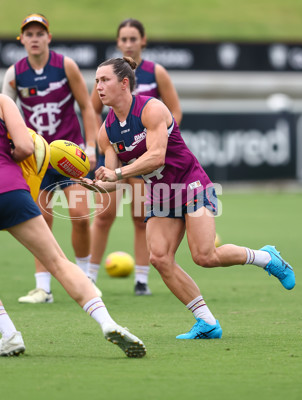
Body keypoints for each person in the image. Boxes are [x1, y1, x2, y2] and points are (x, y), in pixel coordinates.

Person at [0, 39, 146, 357]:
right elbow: (26, 147)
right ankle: (107, 322)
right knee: (58, 261)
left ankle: (10, 335)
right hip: (10, 191)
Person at [83, 57, 295, 339]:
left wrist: (118, 173)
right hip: (159, 193)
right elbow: (111, 180)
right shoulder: (106, 132)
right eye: (96, 80)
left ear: (124, 83)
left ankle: (266, 258)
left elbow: (156, 156)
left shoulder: (151, 109)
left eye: (104, 80)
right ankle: (207, 322)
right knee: (159, 258)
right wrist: (93, 184)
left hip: (190, 182)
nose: (98, 86)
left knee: (205, 256)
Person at [1, 13, 100, 304]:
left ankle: (85, 280)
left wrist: (91, 146)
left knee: (80, 215)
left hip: (68, 155)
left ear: (48, 37)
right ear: (22, 39)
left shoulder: (65, 65)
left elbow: (86, 105)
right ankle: (43, 288)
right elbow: (4, 115)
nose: (34, 38)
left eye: (39, 33)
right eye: (29, 33)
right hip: (36, 157)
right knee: (39, 222)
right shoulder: (14, 73)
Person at [88, 18, 182, 296]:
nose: (128, 43)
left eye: (133, 38)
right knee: (104, 215)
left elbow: (174, 111)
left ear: (143, 41)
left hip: (146, 158)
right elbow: (93, 109)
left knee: (141, 217)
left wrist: (161, 142)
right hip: (116, 152)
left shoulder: (157, 72)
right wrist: (98, 142)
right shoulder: (107, 75)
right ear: (118, 42)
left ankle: (141, 279)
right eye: (124, 39)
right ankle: (89, 277)